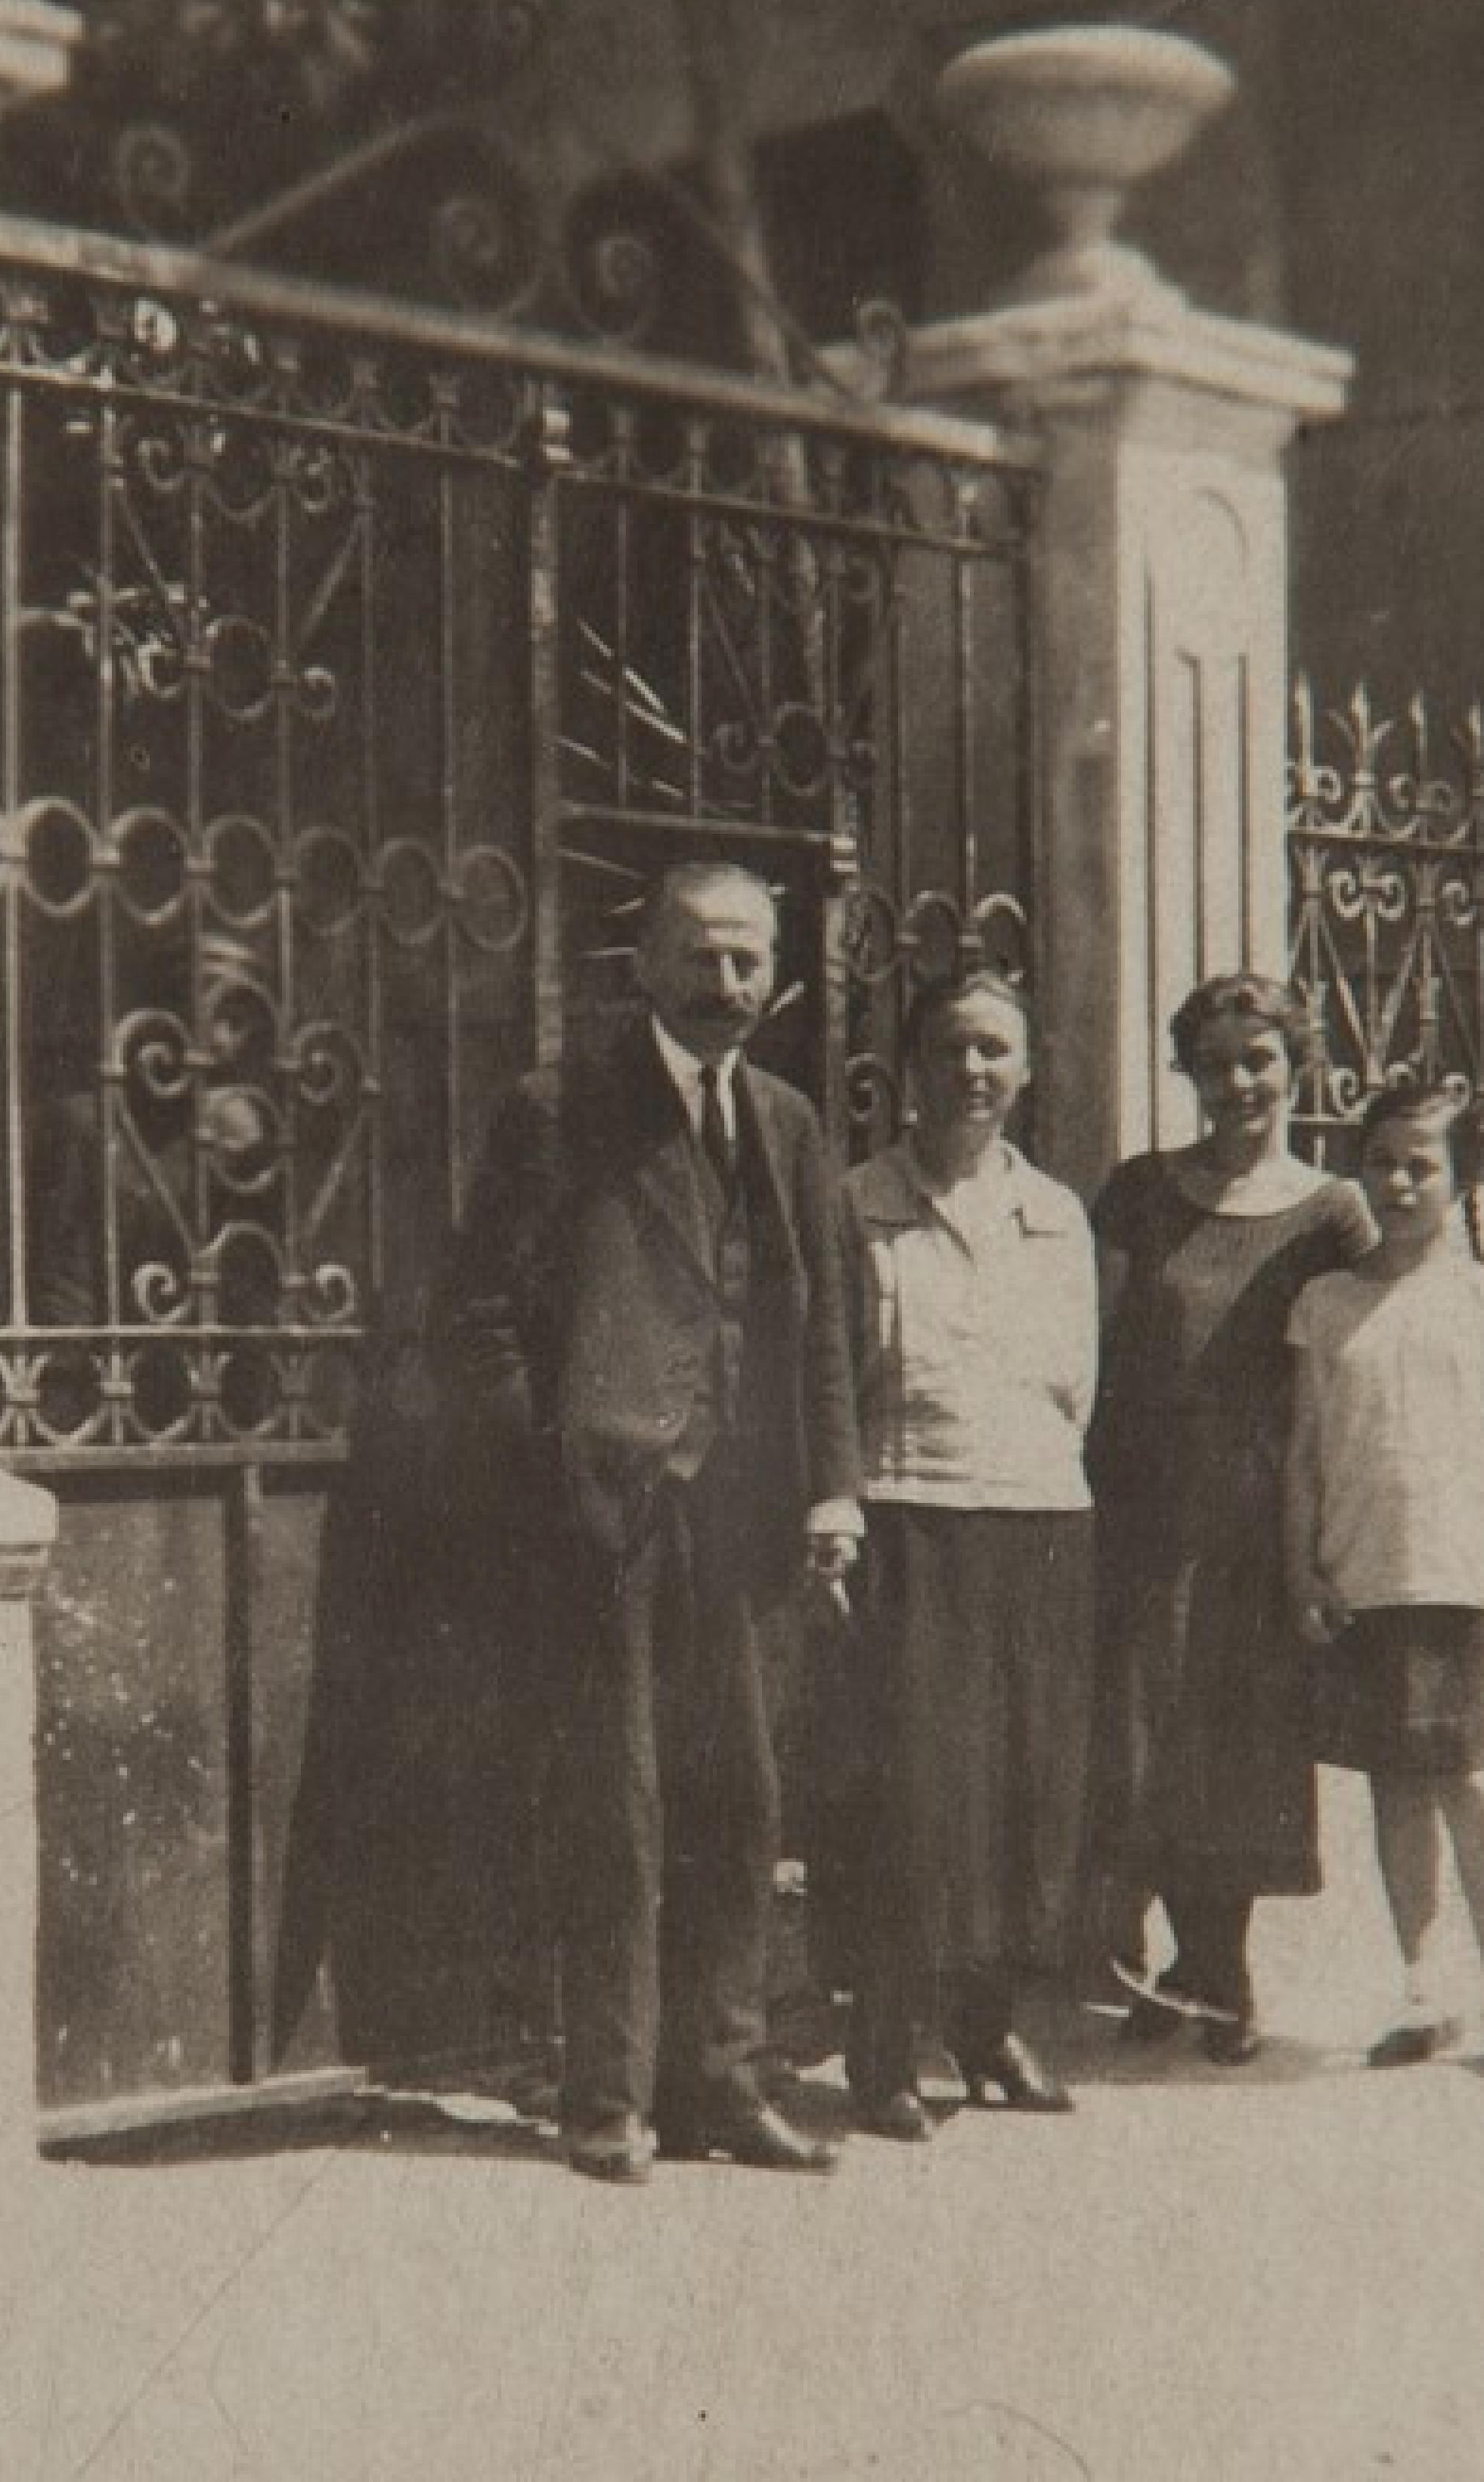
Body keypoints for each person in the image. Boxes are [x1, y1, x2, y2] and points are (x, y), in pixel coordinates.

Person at [439, 860, 863, 2184]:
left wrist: (834, 1485)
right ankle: (606, 2097)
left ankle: (720, 2082)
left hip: (744, 1517)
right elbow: (482, 1315)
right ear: (645, 967)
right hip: (606, 1514)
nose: (725, 983)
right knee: (615, 1805)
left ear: (776, 973)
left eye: (748, 959)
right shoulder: (559, 1107)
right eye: (700, 956)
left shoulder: (787, 1119)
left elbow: (824, 1317)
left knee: (738, 1802)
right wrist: (553, 1470)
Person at [1084, 971, 1377, 2062]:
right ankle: (1182, 1960)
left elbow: (1379, 1337)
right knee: (1145, 1739)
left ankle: (1220, 1967)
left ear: (1296, 1065)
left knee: (1240, 1748)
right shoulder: (1139, 1190)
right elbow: (1086, 1331)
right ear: (1187, 1075)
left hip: (1259, 1520)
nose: (1240, 1083)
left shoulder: (1333, 1212)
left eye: (1260, 1059)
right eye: (1216, 1064)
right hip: (1142, 1506)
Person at [832, 969, 1098, 2140]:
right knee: (915, 1795)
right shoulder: (859, 1202)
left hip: (1039, 1517)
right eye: (952, 1048)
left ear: (1027, 1069)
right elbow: (834, 1371)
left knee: (1023, 1790)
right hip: (909, 1512)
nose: (974, 1071)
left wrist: (1027, 1469)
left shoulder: (1058, 1214)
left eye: (996, 1049)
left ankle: (988, 2028)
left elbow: (1074, 1383)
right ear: (912, 1066)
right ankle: (883, 2046)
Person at [1285, 1074, 1484, 2080]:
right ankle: (1425, 1988)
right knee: (1396, 1783)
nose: (1398, 1184)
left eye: (1421, 1166)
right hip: (1368, 1572)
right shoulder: (1325, 1303)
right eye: (1381, 1163)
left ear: (1460, 1179)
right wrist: (1303, 1570)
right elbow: (1305, 1454)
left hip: (1468, 1572)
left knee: (1470, 1782)